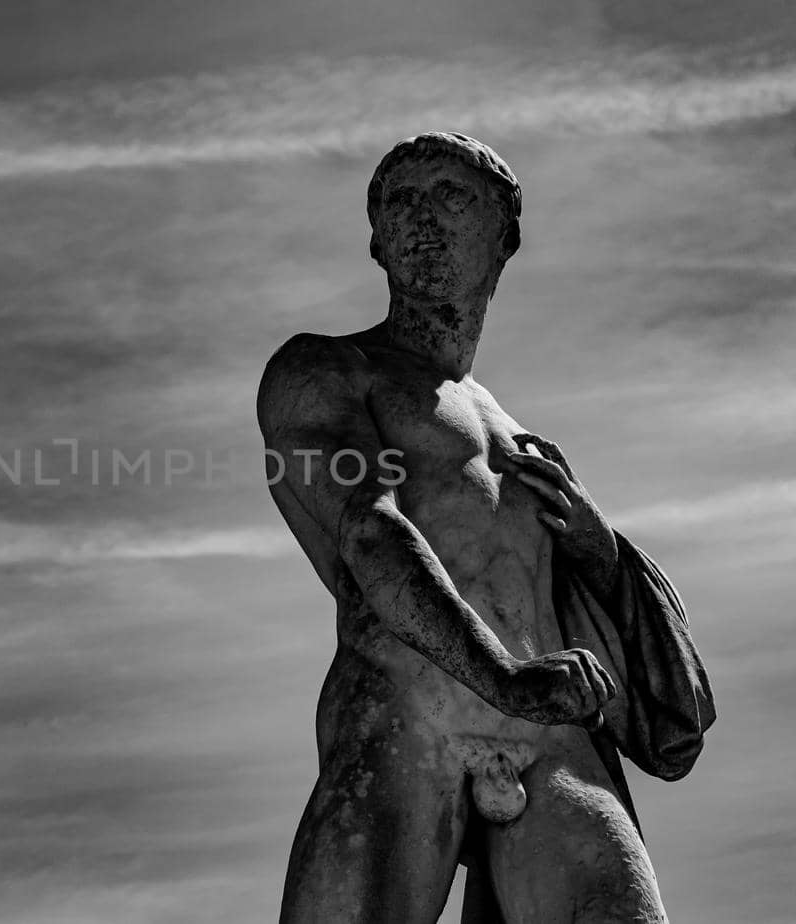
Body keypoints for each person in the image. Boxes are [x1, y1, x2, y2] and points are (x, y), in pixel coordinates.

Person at [257, 132, 713, 924]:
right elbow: (370, 532)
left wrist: (599, 551)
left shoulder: (519, 438)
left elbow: (665, 718)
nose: (421, 218)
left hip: (553, 741)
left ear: (504, 234)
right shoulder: (326, 370)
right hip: (407, 715)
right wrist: (500, 676)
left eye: (450, 196)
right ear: (375, 241)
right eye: (399, 201)